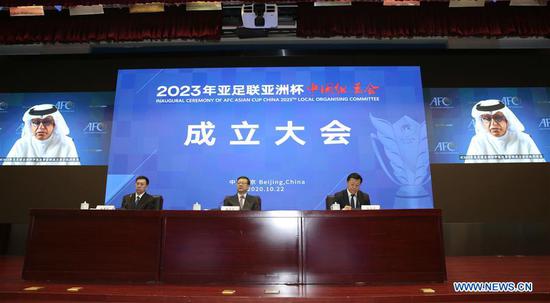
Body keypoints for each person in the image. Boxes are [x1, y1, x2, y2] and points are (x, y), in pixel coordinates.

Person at [464, 99, 544, 163]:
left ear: (507, 120)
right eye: (487, 119)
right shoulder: (477, 141)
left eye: (498, 118)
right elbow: (469, 172)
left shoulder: (524, 139)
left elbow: (541, 168)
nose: (493, 124)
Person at [3, 104, 80, 166]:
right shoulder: (21, 144)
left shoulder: (67, 143)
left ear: (54, 125)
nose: (41, 127)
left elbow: (74, 173)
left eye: (46, 122)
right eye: (36, 122)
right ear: (30, 126)